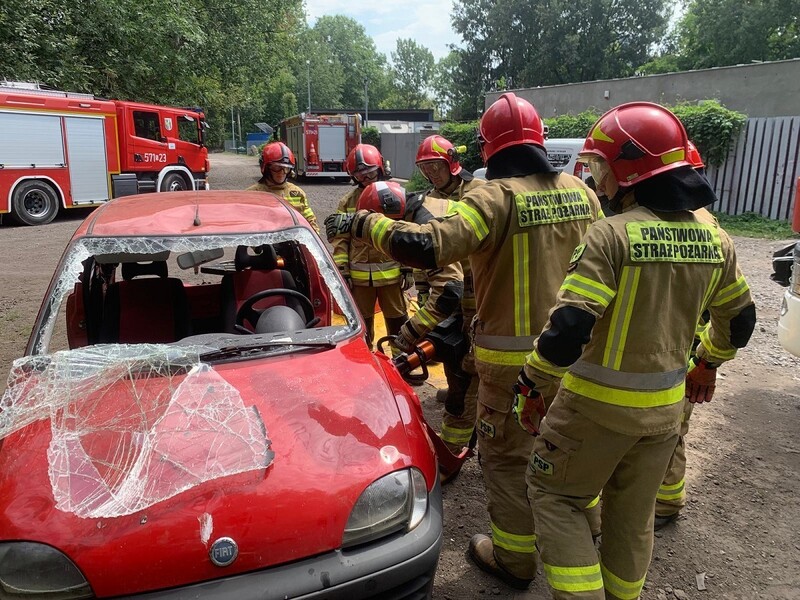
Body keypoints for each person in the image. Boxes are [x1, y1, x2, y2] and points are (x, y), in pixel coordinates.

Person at [326, 93, 602, 590]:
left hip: (510, 362)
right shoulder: (583, 193)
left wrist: (364, 222)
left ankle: (514, 560)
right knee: (569, 444)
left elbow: (428, 246)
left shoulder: (492, 198)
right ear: (539, 141)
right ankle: (591, 528)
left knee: (506, 457)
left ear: (488, 148)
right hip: (574, 353)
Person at [520, 102, 756, 599]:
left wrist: (532, 383)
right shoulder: (715, 237)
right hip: (664, 414)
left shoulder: (611, 235)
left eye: (601, 168)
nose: (598, 181)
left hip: (594, 411)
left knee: (555, 495)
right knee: (631, 517)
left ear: (628, 170)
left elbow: (568, 329)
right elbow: (742, 319)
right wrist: (707, 362)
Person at [414, 135, 485, 466]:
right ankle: (459, 433)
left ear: (451, 163)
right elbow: (423, 250)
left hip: (478, 293)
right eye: (426, 168)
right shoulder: (428, 198)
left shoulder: (476, 194)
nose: (431, 173)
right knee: (452, 351)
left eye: (436, 166)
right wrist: (424, 289)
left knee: (475, 362)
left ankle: (459, 442)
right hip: (447, 293)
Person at [654, 139, 712, 529]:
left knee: (668, 431)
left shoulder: (675, 222)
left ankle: (665, 504)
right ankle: (667, 498)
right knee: (674, 428)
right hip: (692, 345)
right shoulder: (707, 222)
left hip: (677, 346)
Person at [330, 144, 407, 345]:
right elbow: (341, 239)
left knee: (398, 322)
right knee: (361, 326)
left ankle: (402, 364)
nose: (365, 178)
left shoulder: (396, 194)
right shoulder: (348, 201)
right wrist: (342, 272)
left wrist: (408, 268)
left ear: (380, 167)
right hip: (359, 279)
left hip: (391, 277)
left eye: (370, 172)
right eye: (359, 174)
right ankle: (365, 365)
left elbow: (406, 232)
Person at [247, 142, 319, 233]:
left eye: (286, 168)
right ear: (266, 168)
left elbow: (310, 221)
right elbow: (245, 226)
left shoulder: (297, 192)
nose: (281, 172)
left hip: (294, 242)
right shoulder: (252, 194)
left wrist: (311, 243)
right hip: (264, 244)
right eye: (277, 168)